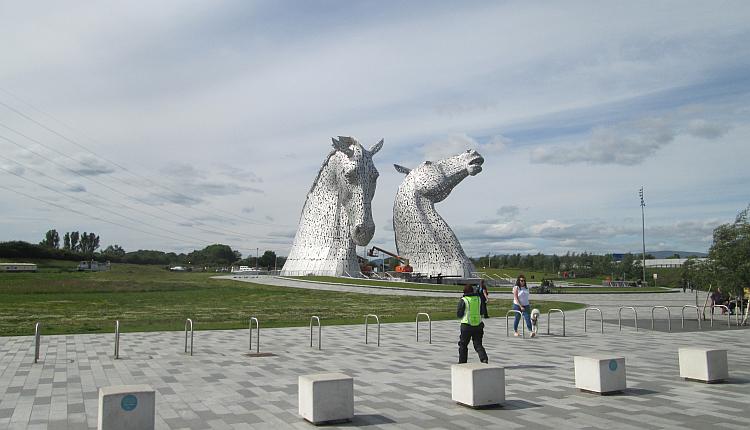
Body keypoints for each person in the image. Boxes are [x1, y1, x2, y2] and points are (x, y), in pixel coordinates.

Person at [457, 284, 488, 364]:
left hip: (466, 325)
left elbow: (459, 313)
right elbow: (481, 311)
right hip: (478, 325)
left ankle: (462, 362)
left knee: (463, 345)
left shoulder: (464, 300)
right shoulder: (478, 299)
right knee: (478, 344)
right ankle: (484, 358)